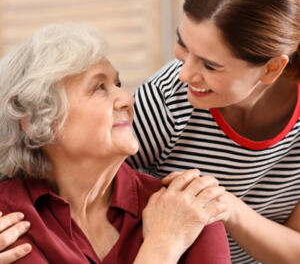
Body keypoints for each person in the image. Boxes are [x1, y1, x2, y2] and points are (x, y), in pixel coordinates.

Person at [2, 0, 300, 263]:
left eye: (210, 65)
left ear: (272, 68)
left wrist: (218, 208)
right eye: (183, 45)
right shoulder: (168, 97)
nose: (184, 75)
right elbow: (39, 154)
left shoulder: (189, 210)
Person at [0, 23, 231, 264]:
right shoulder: (10, 221)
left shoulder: (189, 208)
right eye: (99, 88)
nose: (128, 100)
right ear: (38, 120)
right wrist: (163, 246)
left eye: (118, 85)